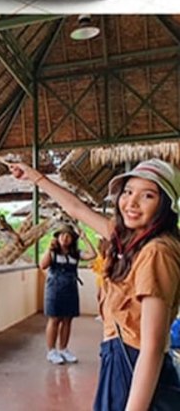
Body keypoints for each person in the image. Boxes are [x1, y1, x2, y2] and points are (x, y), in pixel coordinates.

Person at [11, 159, 180, 409]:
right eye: (128, 192)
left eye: (148, 195)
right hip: (119, 359)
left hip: (134, 365)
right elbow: (77, 209)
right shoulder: (128, 239)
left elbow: (151, 347)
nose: (132, 203)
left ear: (164, 205)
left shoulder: (156, 252)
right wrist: (36, 177)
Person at [41, 220, 96, 365]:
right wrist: (49, 248)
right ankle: (51, 351)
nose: (65, 238)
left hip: (70, 289)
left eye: (68, 236)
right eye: (62, 236)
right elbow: (43, 265)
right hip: (54, 289)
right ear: (57, 238)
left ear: (73, 239)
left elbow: (93, 254)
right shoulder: (53, 252)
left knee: (67, 320)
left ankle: (64, 349)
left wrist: (84, 237)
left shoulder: (75, 254)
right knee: (54, 319)